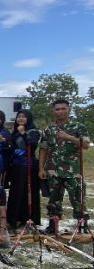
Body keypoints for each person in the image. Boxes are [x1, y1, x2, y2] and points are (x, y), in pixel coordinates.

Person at [39, 99, 90, 233]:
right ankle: (52, 225)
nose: (60, 111)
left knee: (78, 199)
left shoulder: (78, 126)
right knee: (54, 200)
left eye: (63, 108)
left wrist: (69, 137)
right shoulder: (49, 129)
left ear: (69, 109)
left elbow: (85, 145)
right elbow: (43, 149)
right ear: (53, 111)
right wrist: (41, 168)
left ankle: (82, 225)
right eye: (57, 109)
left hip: (73, 171)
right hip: (53, 171)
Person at [7, 110, 41, 230]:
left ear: (29, 118)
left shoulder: (33, 131)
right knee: (16, 192)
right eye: (19, 116)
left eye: (23, 117)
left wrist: (23, 133)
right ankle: (13, 218)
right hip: (16, 166)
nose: (21, 119)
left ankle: (27, 219)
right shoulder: (15, 132)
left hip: (27, 165)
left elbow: (32, 145)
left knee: (26, 193)